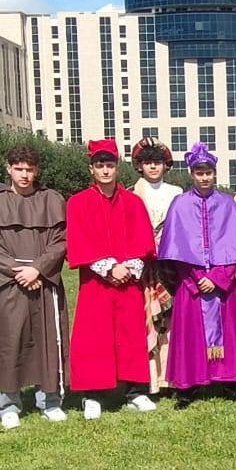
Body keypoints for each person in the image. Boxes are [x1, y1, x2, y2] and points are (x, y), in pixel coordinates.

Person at [157, 143, 236, 407]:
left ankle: (230, 382)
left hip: (222, 285)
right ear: (191, 173)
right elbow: (175, 251)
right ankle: (188, 387)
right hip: (190, 285)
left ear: (215, 173)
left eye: (209, 172)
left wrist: (216, 278)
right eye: (199, 172)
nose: (204, 177)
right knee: (190, 336)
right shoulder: (179, 205)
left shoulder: (226, 204)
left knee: (229, 332)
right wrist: (194, 279)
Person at [67, 139, 159, 419]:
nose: (105, 170)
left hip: (128, 281)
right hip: (96, 282)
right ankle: (92, 395)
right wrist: (107, 268)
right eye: (100, 165)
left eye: (110, 164)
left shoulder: (133, 202)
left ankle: (135, 391)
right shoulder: (77, 202)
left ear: (117, 167)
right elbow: (78, 240)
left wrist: (128, 267)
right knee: (94, 336)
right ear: (91, 168)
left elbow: (144, 241)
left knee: (131, 335)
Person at [0, 145, 69, 425]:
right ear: (9, 169)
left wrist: (37, 269)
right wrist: (18, 271)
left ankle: (49, 400)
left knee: (48, 341)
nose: (24, 175)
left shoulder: (51, 199)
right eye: (19, 169)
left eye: (29, 169)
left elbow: (61, 240)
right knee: (10, 341)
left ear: (36, 170)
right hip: (11, 283)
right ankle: (8, 404)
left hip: (44, 281)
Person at [130, 138, 182, 394]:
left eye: (158, 162)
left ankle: (169, 378)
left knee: (170, 321)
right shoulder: (131, 194)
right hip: (142, 265)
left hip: (170, 265)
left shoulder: (177, 193)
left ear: (165, 165)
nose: (153, 167)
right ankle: (149, 379)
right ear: (139, 165)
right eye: (148, 162)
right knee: (146, 318)